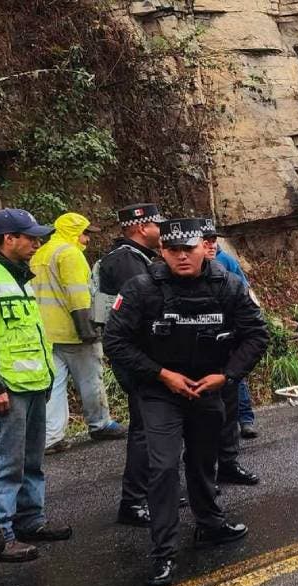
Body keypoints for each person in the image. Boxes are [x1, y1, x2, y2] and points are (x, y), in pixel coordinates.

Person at [104, 217, 268, 586]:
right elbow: (115, 341)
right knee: (163, 468)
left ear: (204, 248)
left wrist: (227, 376)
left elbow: (256, 335)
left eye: (188, 249)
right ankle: (163, 552)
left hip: (209, 387)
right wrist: (162, 374)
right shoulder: (141, 288)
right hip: (160, 390)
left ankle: (210, 525)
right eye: (173, 250)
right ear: (162, 251)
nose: (182, 257)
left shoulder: (228, 285)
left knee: (204, 461)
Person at [0, 208, 73, 563]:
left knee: (31, 460)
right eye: (31, 237)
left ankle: (30, 520)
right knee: (4, 464)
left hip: (34, 382)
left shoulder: (22, 275)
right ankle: (1, 536)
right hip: (6, 387)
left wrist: (47, 377)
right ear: (9, 239)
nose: (37, 243)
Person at [32, 212, 126, 454]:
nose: (87, 239)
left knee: (55, 386)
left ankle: (51, 437)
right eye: (84, 233)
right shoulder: (69, 253)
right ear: (73, 232)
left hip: (46, 333)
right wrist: (88, 329)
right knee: (91, 381)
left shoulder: (40, 253)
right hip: (74, 332)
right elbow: (79, 295)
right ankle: (100, 424)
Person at [94, 203, 164, 528]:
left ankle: (153, 490)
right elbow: (146, 310)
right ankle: (133, 502)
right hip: (136, 357)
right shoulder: (126, 261)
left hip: (140, 355)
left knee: (154, 427)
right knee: (145, 430)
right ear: (140, 227)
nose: (161, 231)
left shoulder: (136, 258)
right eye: (157, 225)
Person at [199, 220, 259, 485]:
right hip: (195, 359)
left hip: (227, 349)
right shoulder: (179, 275)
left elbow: (246, 298)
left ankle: (229, 461)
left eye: (214, 240)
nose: (211, 245)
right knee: (202, 420)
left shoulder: (227, 264)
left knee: (231, 402)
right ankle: (202, 476)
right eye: (205, 240)